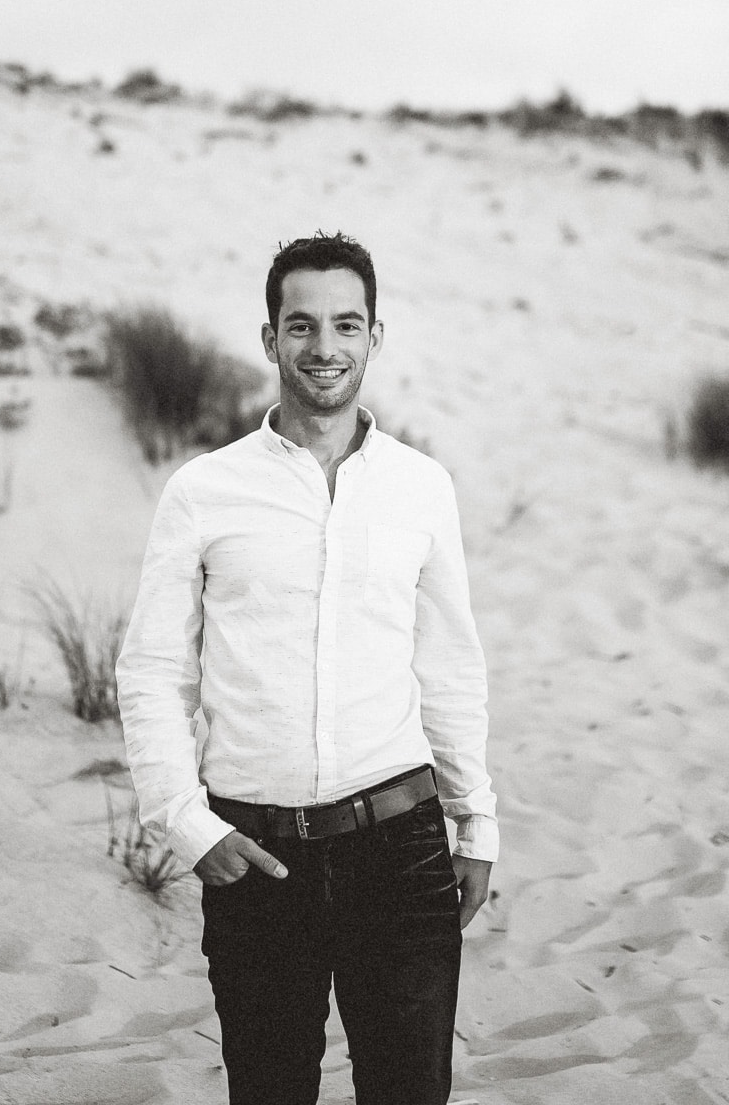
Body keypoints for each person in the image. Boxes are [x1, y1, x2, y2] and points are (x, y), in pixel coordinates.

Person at [116, 231, 498, 1105]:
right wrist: (187, 822)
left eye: (345, 325)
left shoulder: (421, 487)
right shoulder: (204, 491)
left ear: (375, 336)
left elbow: (449, 667)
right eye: (301, 326)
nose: (324, 348)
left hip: (401, 852)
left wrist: (476, 823)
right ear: (269, 338)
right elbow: (152, 671)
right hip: (256, 860)